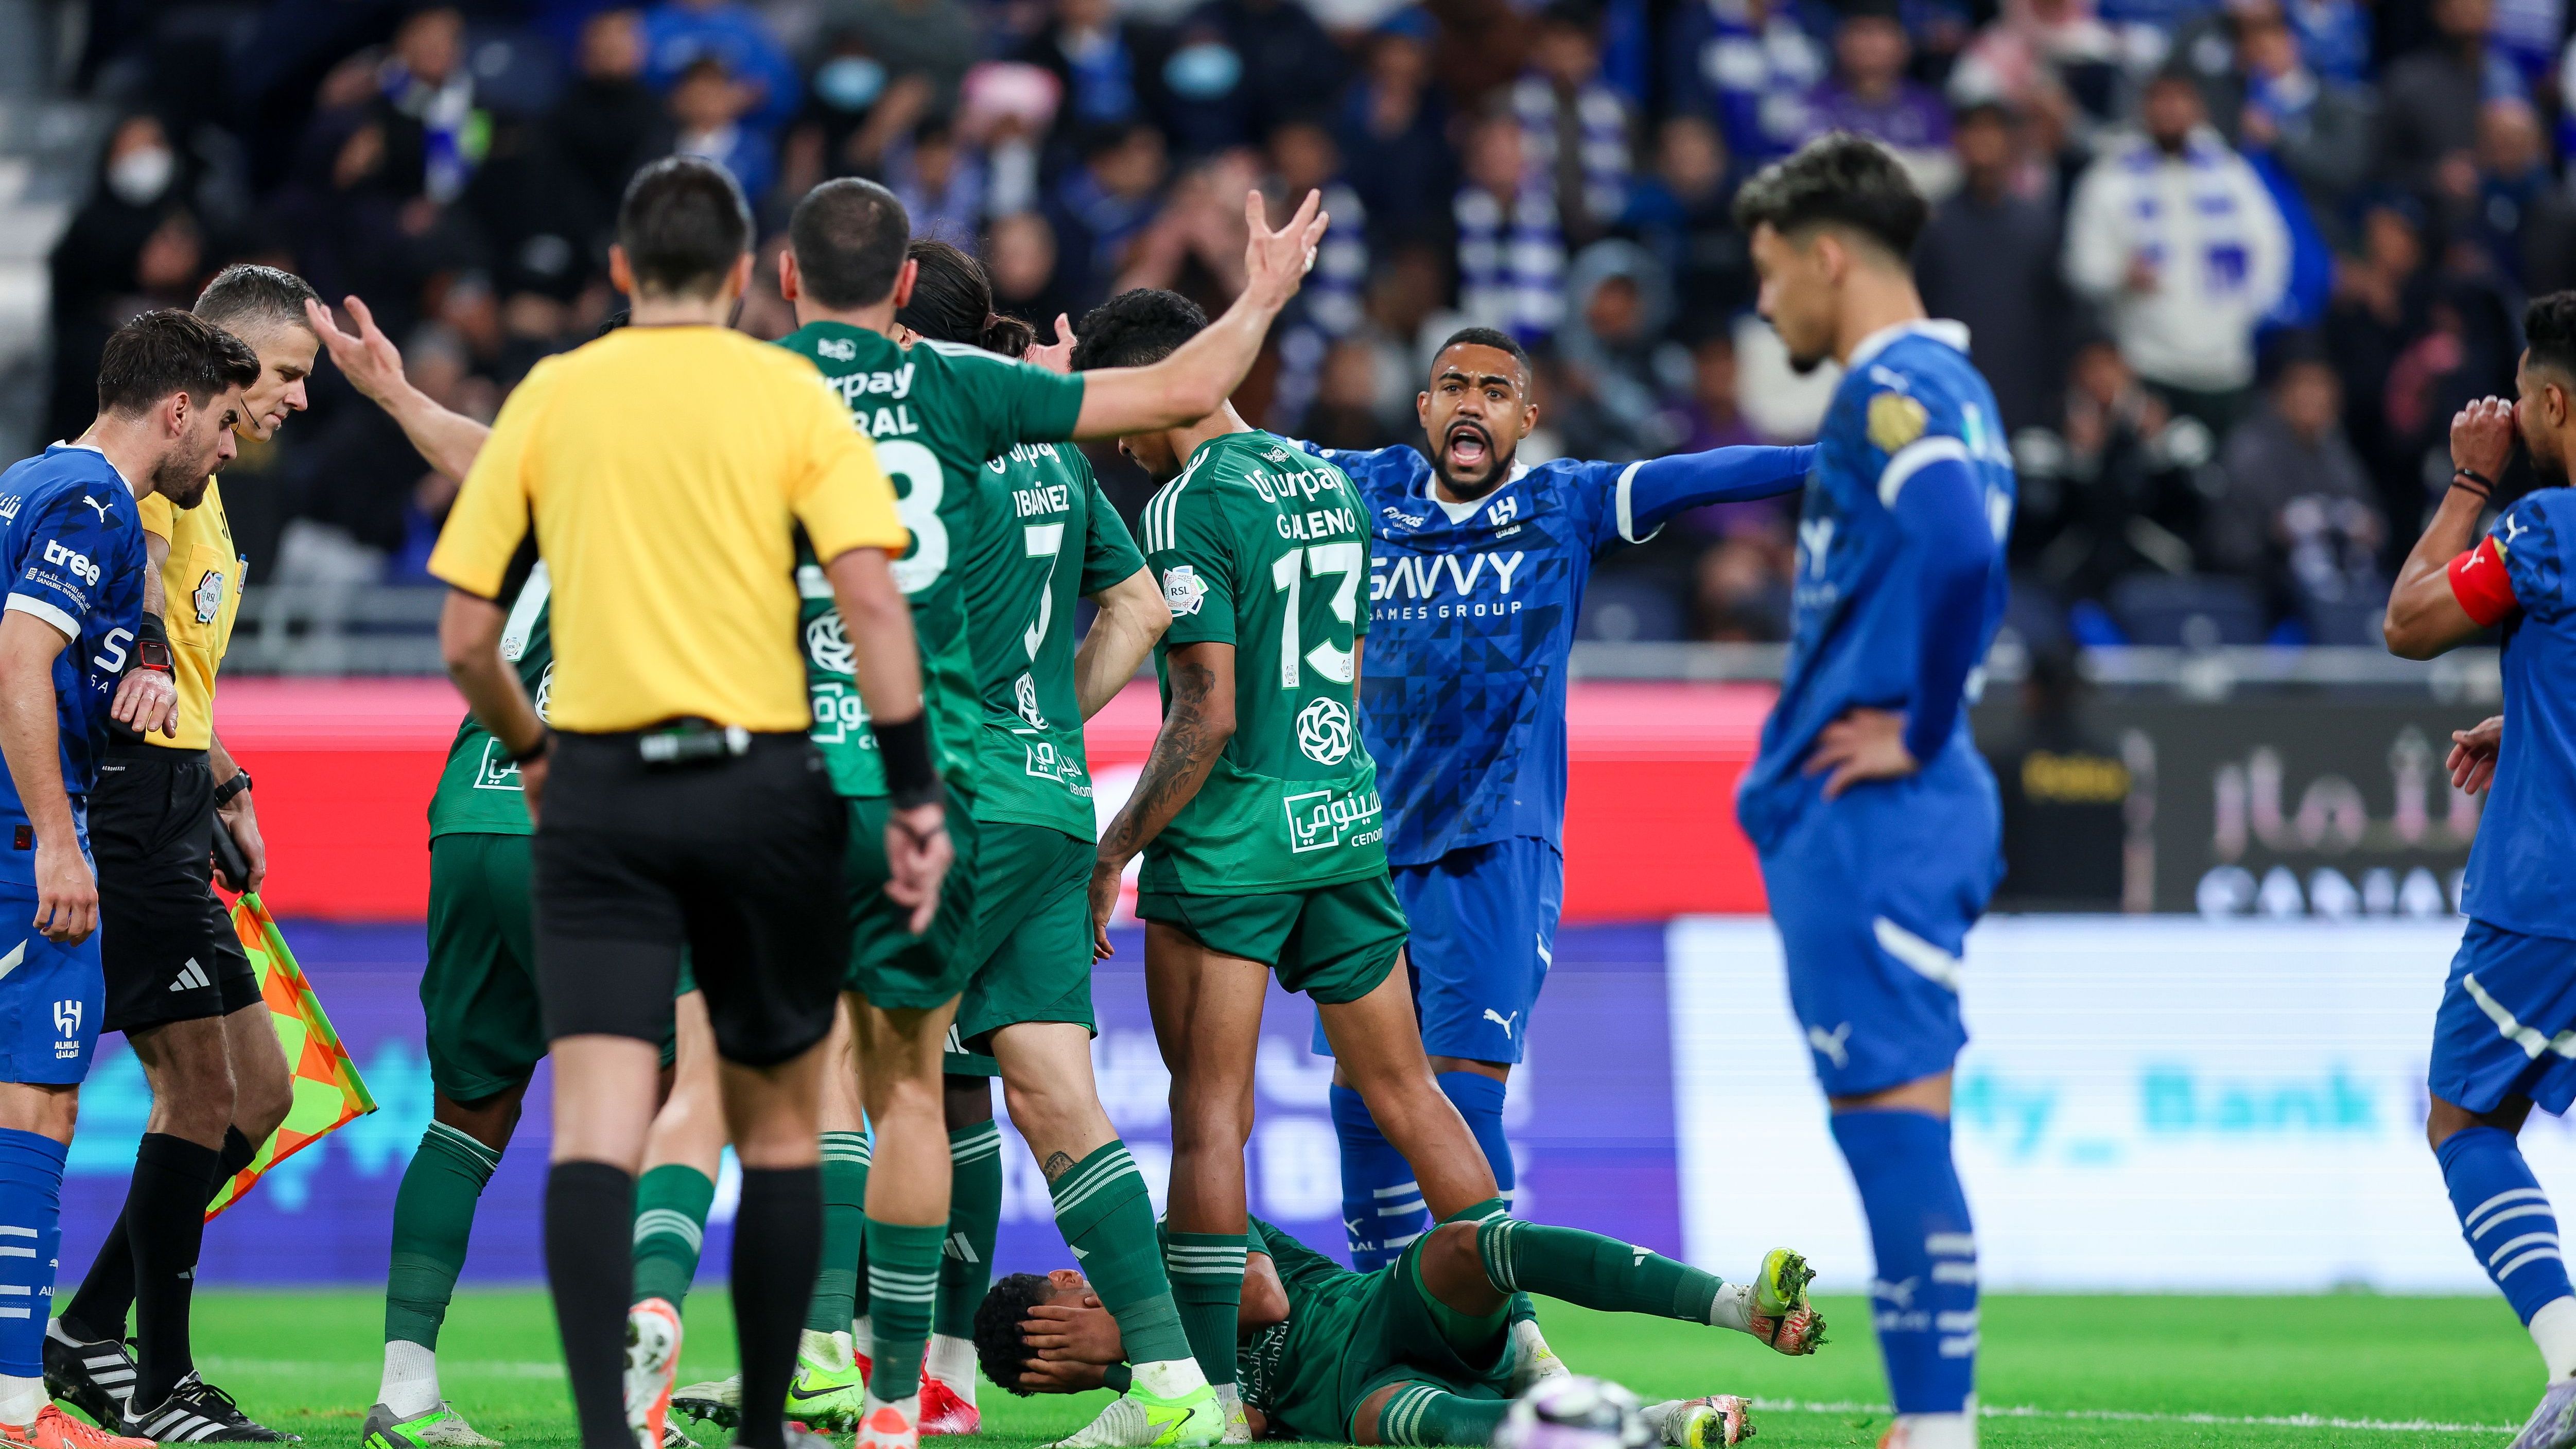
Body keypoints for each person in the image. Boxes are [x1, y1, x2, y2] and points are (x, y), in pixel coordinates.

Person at [758, 177, 1326, 1449]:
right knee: (1058, 1098)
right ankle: (1180, 1389)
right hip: (1043, 799)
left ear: (787, 282)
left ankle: (852, 1375)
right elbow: (1159, 505)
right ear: (906, 289)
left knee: (864, 1079)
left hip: (893, 782)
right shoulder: (1019, 432)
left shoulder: (771, 395)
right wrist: (1266, 288)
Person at [424, 155, 937, 1449]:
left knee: (598, 1123)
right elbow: (872, 603)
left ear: (615, 268)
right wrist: (917, 788)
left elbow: (467, 639)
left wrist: (535, 754)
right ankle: (764, 1428)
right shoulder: (785, 391)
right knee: (774, 1121)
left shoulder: (554, 395)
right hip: (761, 786)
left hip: (597, 790)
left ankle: (608, 1431)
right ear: (746, 272)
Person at [1071, 287, 1508, 1440]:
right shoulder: (1320, 477)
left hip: (1233, 847)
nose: (1118, 437)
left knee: (1210, 1117)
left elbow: (1206, 712)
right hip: (1342, 821)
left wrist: (1118, 845)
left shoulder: (1182, 506)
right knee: (1412, 1095)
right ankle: (1525, 1350)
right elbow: (1342, 660)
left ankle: (1200, 1396)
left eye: (1123, 409)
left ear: (1162, 382)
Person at [1287, 326, 1810, 1273]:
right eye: (1451, 386)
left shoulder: (1560, 504)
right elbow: (1233, 447)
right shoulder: (1369, 487)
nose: (1469, 404)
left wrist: (1835, 454)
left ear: (1526, 418)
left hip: (1492, 846)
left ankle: (1501, 1340)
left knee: (1465, 1097)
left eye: (1494, 391)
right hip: (1364, 849)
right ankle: (1376, 1325)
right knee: (1357, 1096)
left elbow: (1701, 476)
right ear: (1423, 409)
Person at [1730, 132, 2015, 1449]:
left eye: (1769, 268)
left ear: (1826, 254)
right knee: (1899, 1128)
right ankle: (1927, 1420)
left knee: (1889, 1133)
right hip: (1894, 810)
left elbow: (1957, 544)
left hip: (1874, 807)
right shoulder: (1949, 381)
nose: (1763, 298)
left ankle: (1935, 1423)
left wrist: (1913, 721)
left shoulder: (1889, 386)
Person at [41, 265, 318, 1448]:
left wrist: (225, 782)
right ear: (225, 370)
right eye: (291, 376)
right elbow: (129, 631)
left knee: (261, 1091)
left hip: (177, 806)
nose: (299, 400)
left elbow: (176, 682)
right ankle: (158, 1380)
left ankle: (88, 1330)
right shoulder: (150, 488)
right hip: (127, 818)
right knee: (194, 1091)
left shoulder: (203, 492)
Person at [0, 308, 257, 1449]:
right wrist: (59, 838)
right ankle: (24, 1405)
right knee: (39, 1104)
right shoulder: (98, 502)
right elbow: (18, 658)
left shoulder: (29, 480)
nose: (230, 449)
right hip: (26, 846)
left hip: (36, 826)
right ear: (176, 409)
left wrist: (126, 689)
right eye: (224, 424)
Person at [2380, 290, 2576, 1449]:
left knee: (2467, 1120)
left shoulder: (2547, 525)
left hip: (2549, 900)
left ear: (2548, 403)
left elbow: (2409, 622)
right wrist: (2536, 715)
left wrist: (2469, 483)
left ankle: (2573, 1362)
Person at [976, 1217, 1824, 1447]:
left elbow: (1264, 1298)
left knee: (1470, 1244)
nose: (1082, 1379)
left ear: (1065, 1286)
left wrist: (1137, 1334)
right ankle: (1655, 1426)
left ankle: (1737, 1304)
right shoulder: (1148, 1398)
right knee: (1389, 1426)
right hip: (1353, 1397)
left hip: (1377, 1313)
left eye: (1049, 1355)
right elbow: (1256, 1426)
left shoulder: (1173, 1233)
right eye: (1056, 1383)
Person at [2060, 70, 2291, 433]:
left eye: (2180, 100)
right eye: (2160, 100)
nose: (2170, 110)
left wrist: (2245, 313)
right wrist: (2121, 275)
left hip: (2226, 365)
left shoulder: (2232, 174)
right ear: (2143, 108)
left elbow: (2273, 246)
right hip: (2148, 363)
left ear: (2199, 108)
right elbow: (2081, 265)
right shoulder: (2110, 177)